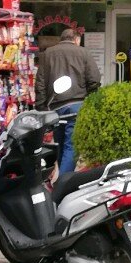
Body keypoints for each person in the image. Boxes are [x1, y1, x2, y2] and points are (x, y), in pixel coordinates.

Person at [35, 28, 101, 174]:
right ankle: (63, 182)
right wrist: (90, 100)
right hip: (77, 105)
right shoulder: (83, 53)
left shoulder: (47, 54)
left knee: (59, 144)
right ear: (76, 39)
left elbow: (40, 83)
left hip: (55, 106)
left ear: (62, 38)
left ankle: (59, 177)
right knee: (71, 146)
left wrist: (42, 108)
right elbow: (94, 79)